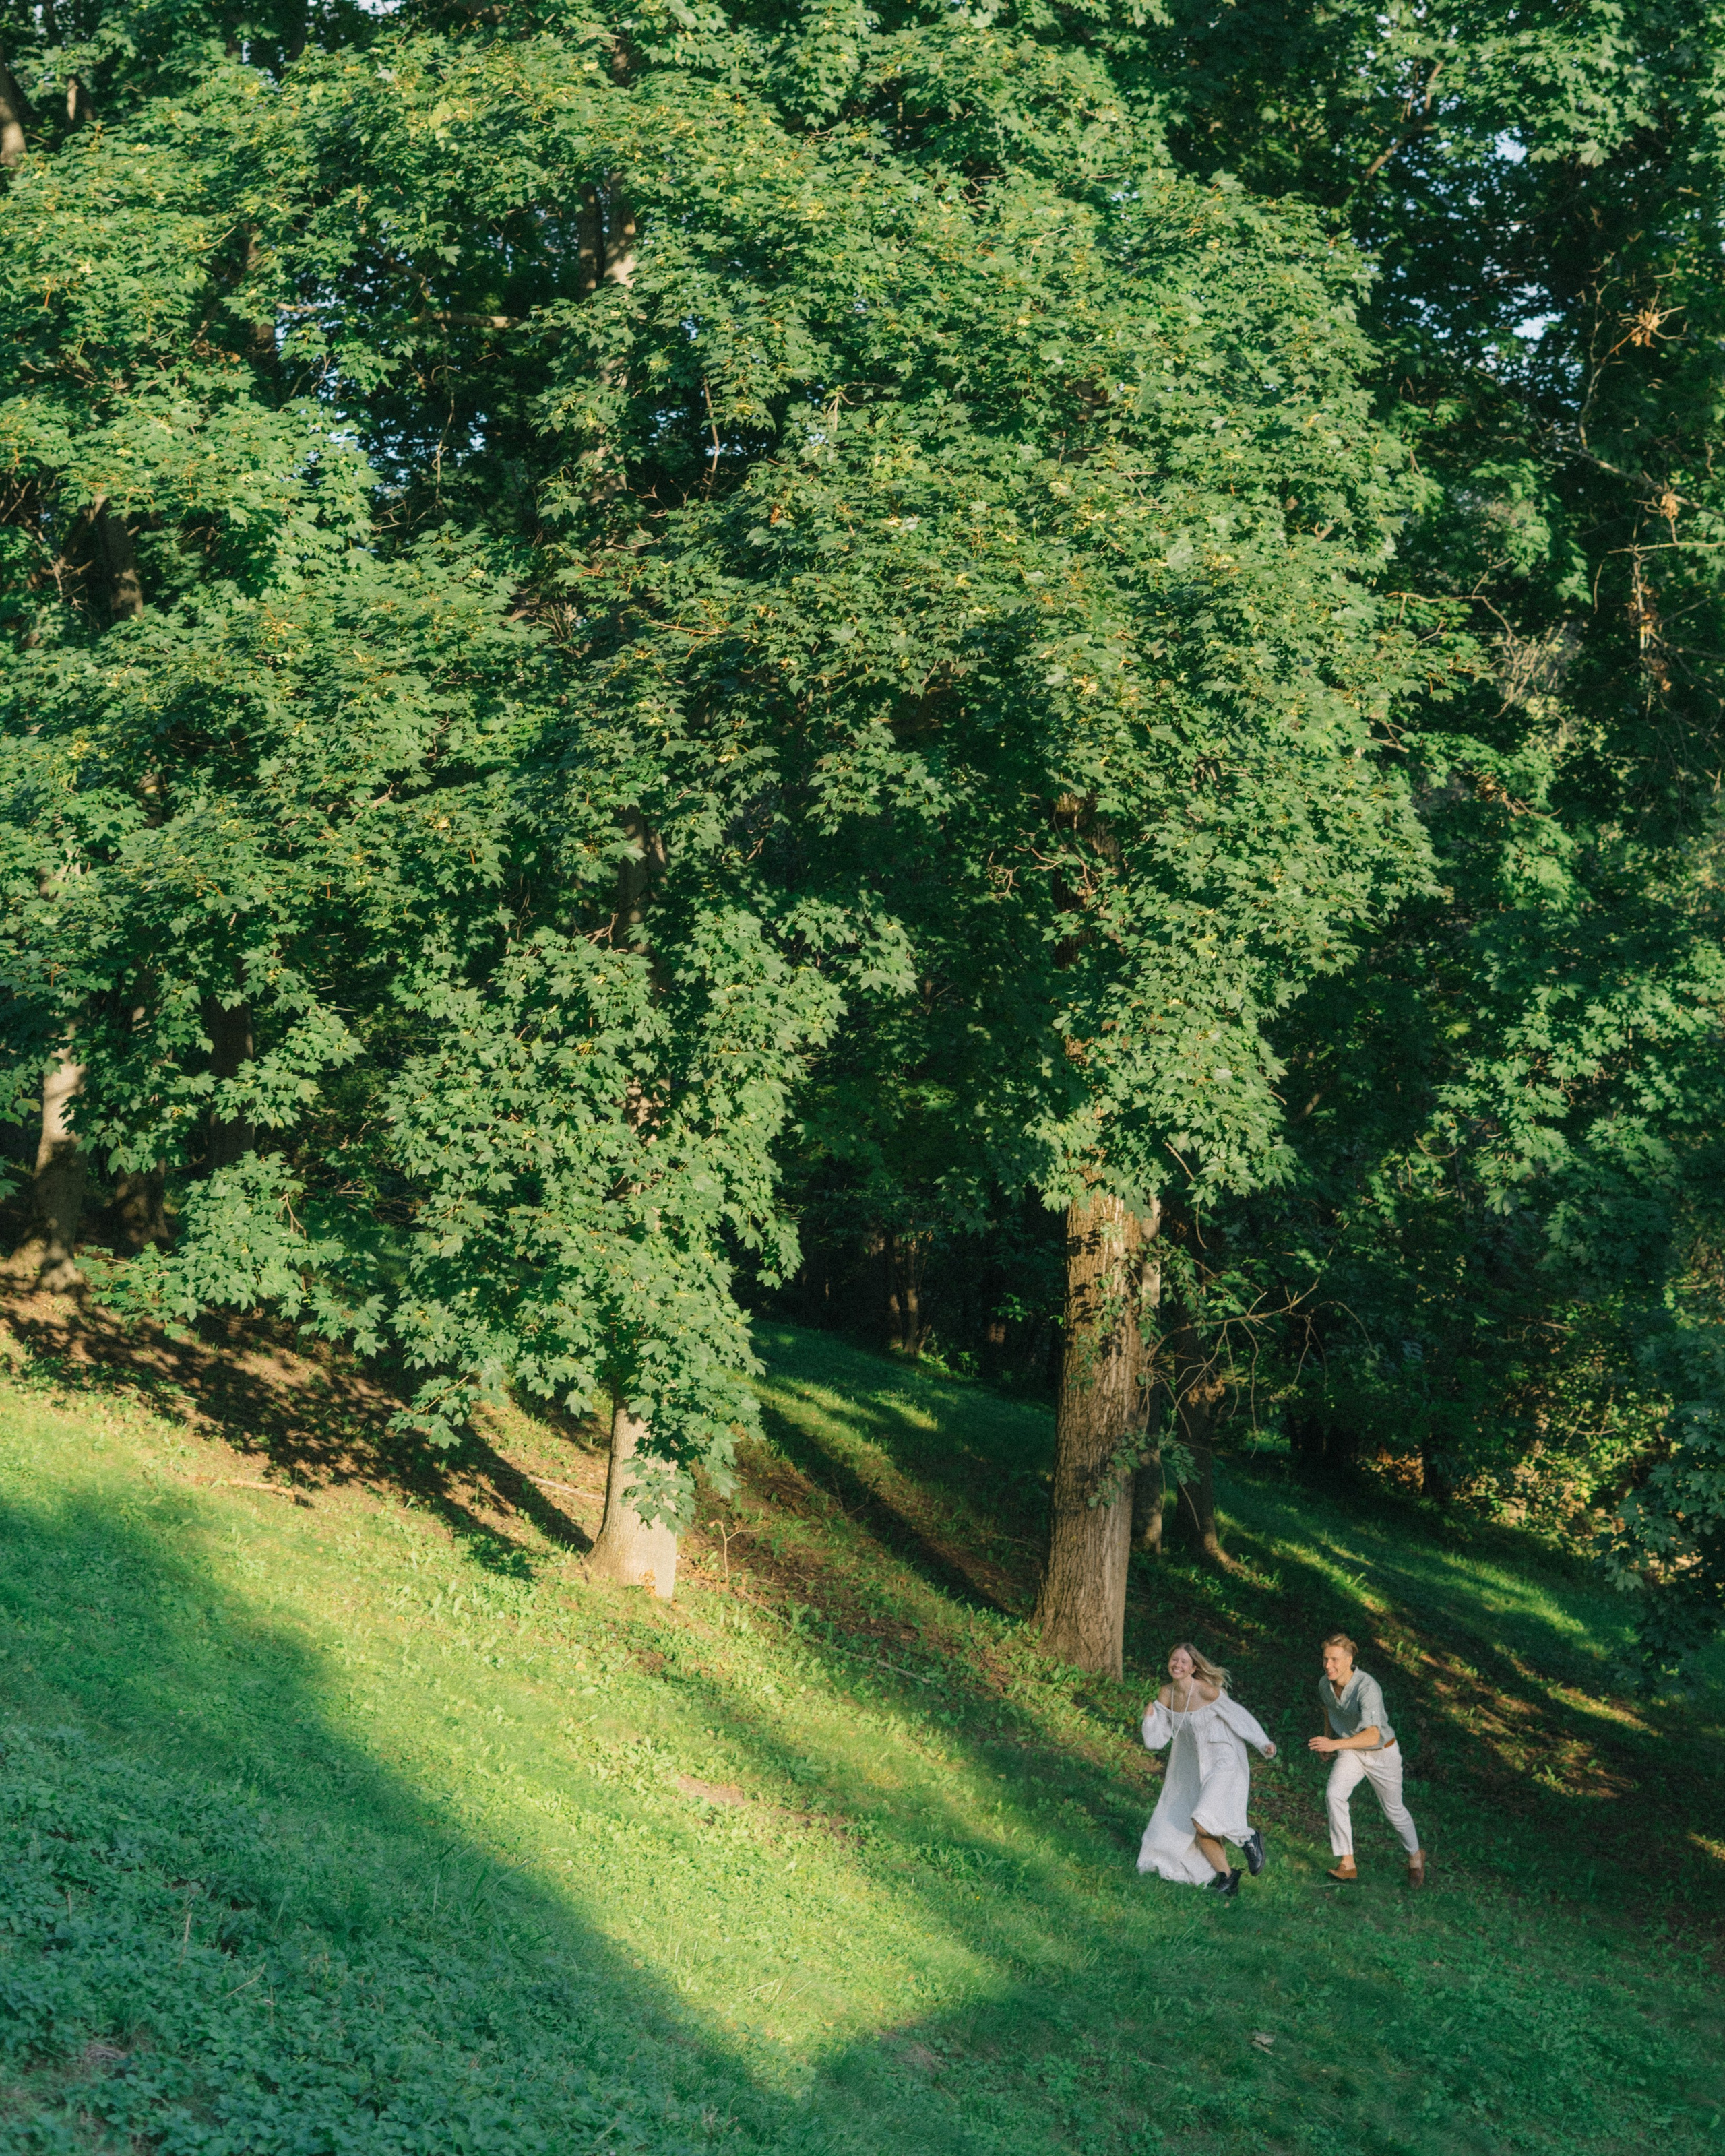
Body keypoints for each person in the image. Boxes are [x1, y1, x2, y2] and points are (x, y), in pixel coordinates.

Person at [1138, 1642, 1277, 1897]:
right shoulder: (1166, 1694)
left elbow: (1239, 1717)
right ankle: (1228, 1879)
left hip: (1224, 1760)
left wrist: (1263, 1743)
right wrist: (1150, 1720)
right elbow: (1155, 1742)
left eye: (1183, 1662)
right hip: (1192, 1766)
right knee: (1202, 1825)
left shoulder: (1205, 1691)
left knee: (1202, 1820)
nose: (1177, 1665)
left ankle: (1248, 1838)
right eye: (1174, 1660)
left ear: (1193, 1668)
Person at [1307, 1630, 1425, 1886]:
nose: (1329, 1665)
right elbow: (1329, 1708)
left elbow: (1372, 1736)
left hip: (1382, 1753)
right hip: (1351, 1751)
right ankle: (1347, 1863)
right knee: (1334, 1794)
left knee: (1393, 1811)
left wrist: (1333, 1743)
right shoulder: (1324, 1684)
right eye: (1326, 1659)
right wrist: (1328, 1740)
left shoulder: (1367, 1687)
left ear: (1349, 1660)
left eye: (1335, 1660)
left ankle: (1415, 1856)